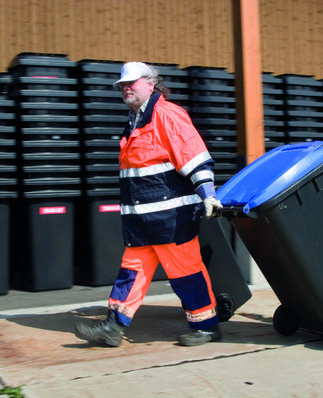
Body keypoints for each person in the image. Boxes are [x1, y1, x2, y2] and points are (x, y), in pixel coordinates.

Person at [74, 62, 223, 347]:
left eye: (132, 83)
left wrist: (208, 195)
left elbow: (195, 157)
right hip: (141, 220)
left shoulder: (168, 115)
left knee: (185, 272)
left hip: (171, 218)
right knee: (131, 272)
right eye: (122, 85)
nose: (126, 88)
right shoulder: (135, 121)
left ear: (151, 84)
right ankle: (114, 326)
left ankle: (206, 326)